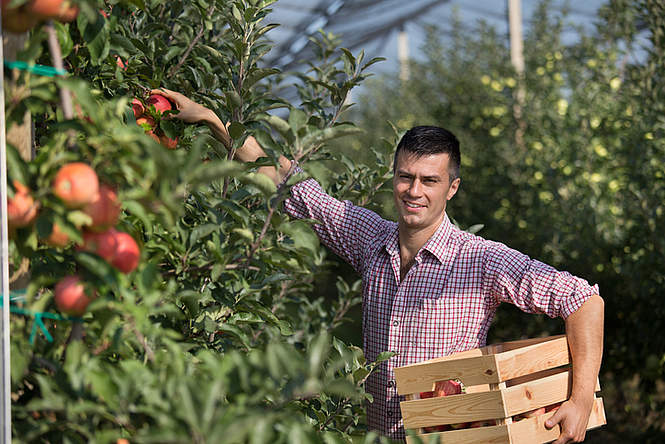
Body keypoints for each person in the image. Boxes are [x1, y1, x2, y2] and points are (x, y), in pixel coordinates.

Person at [152, 88, 605, 444]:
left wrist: (581, 398)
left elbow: (583, 299)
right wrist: (213, 120)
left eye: (430, 180)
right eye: (406, 176)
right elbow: (289, 182)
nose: (415, 190)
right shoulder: (371, 238)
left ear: (452, 189)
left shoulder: (480, 259)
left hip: (450, 437)